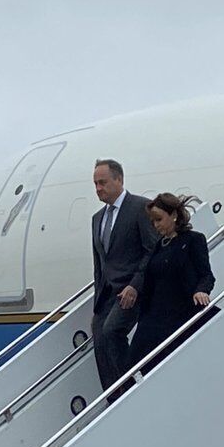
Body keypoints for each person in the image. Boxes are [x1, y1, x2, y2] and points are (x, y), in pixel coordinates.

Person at [91, 159, 158, 393]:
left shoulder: (140, 207)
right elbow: (99, 262)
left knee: (112, 332)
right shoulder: (97, 219)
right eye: (95, 184)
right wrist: (98, 297)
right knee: (99, 338)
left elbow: (152, 249)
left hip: (132, 290)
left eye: (103, 182)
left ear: (119, 180)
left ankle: (130, 390)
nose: (98, 188)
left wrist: (135, 286)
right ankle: (113, 397)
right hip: (107, 293)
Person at [128, 193, 215, 370]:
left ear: (174, 215)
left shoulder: (193, 240)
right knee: (133, 364)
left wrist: (202, 290)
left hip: (179, 313)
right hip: (153, 317)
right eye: (153, 221)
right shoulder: (158, 246)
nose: (156, 225)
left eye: (159, 219)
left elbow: (206, 275)